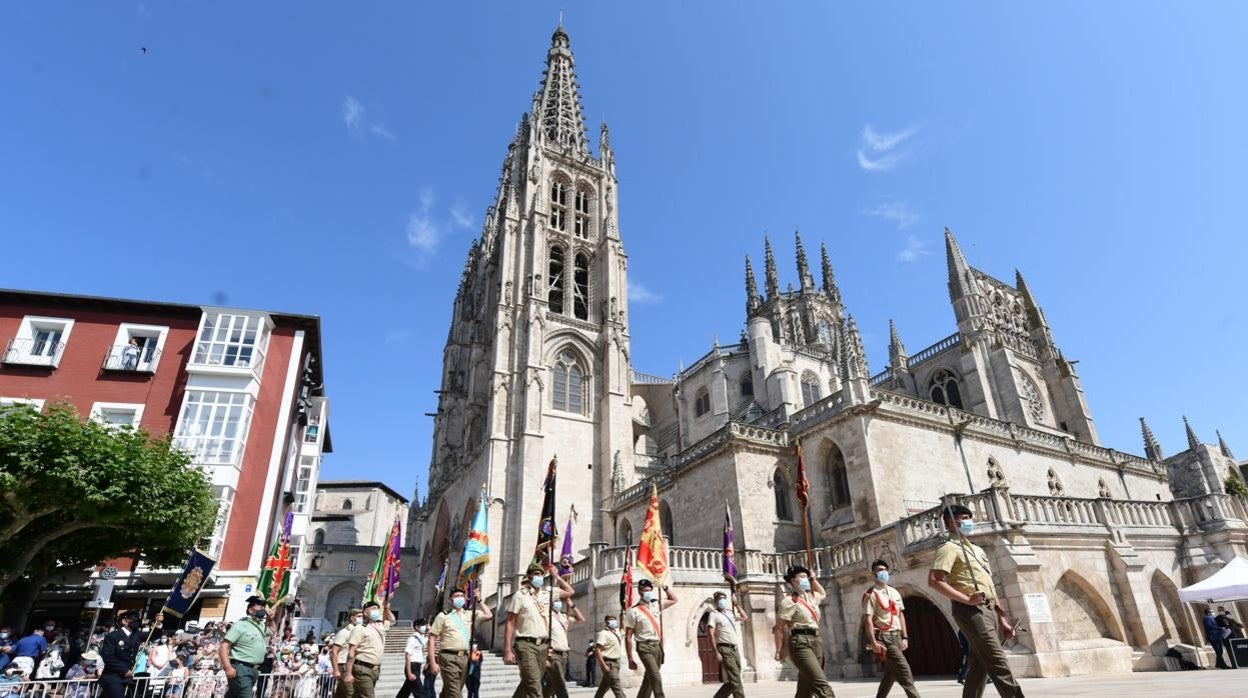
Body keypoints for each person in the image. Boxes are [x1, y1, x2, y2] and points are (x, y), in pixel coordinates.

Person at [927, 504, 1024, 697]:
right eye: (964, 518)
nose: (969, 522)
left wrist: (1002, 617)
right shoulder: (948, 548)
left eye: (969, 518)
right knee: (997, 660)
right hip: (969, 611)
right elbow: (934, 581)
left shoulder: (977, 550)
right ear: (951, 522)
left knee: (979, 665)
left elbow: (988, 585)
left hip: (988, 610)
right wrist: (966, 599)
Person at [504, 563, 572, 698]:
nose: (539, 577)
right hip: (525, 644)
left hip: (543, 646)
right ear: (529, 577)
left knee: (529, 681)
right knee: (535, 686)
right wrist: (507, 650)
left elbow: (570, 592)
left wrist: (556, 575)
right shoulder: (520, 595)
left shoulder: (548, 593)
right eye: (536, 574)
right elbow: (510, 623)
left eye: (541, 574)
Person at [773, 565, 834, 698]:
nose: (805, 579)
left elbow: (823, 594)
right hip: (800, 642)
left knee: (805, 686)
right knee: (822, 685)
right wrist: (779, 650)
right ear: (793, 581)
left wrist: (814, 579)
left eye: (806, 576)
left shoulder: (811, 597)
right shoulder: (788, 601)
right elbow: (779, 628)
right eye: (802, 577)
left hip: (816, 641)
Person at [863, 560, 919, 698]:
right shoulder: (871, 594)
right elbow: (868, 620)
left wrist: (905, 637)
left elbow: (900, 615)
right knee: (904, 671)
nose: (882, 572)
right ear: (873, 573)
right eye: (879, 570)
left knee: (890, 673)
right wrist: (873, 642)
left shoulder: (894, 592)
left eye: (884, 569)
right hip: (884, 637)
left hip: (897, 636)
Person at [427, 587, 493, 698]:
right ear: (450, 600)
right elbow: (432, 639)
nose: (460, 598)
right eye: (456, 596)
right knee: (455, 693)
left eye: (462, 596)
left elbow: (489, 615)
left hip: (465, 657)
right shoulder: (443, 616)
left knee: (451, 690)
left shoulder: (469, 614)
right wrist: (432, 662)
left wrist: (479, 600)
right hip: (448, 657)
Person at [624, 578, 678, 698]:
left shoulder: (656, 604)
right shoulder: (633, 611)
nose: (647, 593)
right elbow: (628, 637)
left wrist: (664, 586)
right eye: (645, 590)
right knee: (655, 675)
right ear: (639, 592)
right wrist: (630, 659)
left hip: (657, 646)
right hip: (644, 646)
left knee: (649, 678)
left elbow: (674, 599)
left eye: (649, 590)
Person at [219, 596, 274, 698]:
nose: (263, 610)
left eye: (263, 607)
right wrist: (227, 667)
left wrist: (271, 619)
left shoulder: (260, 625)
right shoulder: (240, 625)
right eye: (260, 607)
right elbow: (224, 646)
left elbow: (273, 631)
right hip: (240, 669)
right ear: (250, 610)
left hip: (253, 670)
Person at [344, 601, 394, 698]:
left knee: (358, 696)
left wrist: (387, 609)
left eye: (377, 608)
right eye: (373, 608)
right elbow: (351, 652)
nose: (376, 611)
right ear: (365, 612)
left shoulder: (380, 626)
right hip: (362, 668)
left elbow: (392, 621)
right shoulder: (360, 628)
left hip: (375, 669)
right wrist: (348, 673)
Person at [545, 578, 584, 698]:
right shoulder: (546, 616)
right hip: (553, 654)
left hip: (564, 654)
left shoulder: (563, 617)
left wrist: (572, 605)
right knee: (561, 683)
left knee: (551, 685)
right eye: (556, 601)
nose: (559, 603)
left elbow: (581, 619)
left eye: (560, 601)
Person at [707, 590, 747, 698]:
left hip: (734, 649)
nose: (722, 601)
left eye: (724, 598)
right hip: (725, 649)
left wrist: (736, 604)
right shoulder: (713, 615)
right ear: (715, 601)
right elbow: (710, 635)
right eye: (720, 599)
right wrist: (716, 652)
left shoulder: (730, 613)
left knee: (735, 678)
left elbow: (744, 617)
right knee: (736, 679)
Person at [99, 610, 145, 698]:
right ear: (124, 621)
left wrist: (158, 623)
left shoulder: (136, 635)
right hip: (113, 677)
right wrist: (124, 670)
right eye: (133, 619)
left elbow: (153, 634)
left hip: (127, 678)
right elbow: (108, 657)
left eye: (137, 619)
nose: (136, 622)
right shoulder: (113, 636)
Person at [331, 608, 363, 698]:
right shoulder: (344, 632)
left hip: (352, 665)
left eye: (362, 617)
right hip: (343, 665)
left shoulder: (360, 631)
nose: (361, 619)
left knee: (340, 694)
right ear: (352, 618)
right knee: (351, 693)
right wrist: (336, 669)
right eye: (359, 616)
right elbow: (334, 651)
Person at [592, 615, 625, 698]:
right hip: (609, 663)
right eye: (611, 620)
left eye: (614, 619)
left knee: (604, 686)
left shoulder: (616, 631)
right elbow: (598, 650)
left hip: (616, 663)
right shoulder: (603, 633)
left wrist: (622, 620)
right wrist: (603, 665)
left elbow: (623, 630)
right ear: (606, 622)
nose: (613, 621)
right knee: (617, 688)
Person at [395, 618, 429, 698]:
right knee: (420, 692)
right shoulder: (412, 639)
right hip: (412, 666)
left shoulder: (421, 638)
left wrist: (429, 630)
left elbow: (428, 638)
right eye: (423, 625)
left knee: (406, 691)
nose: (425, 627)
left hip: (417, 666)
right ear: (417, 627)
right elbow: (407, 656)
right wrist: (409, 673)